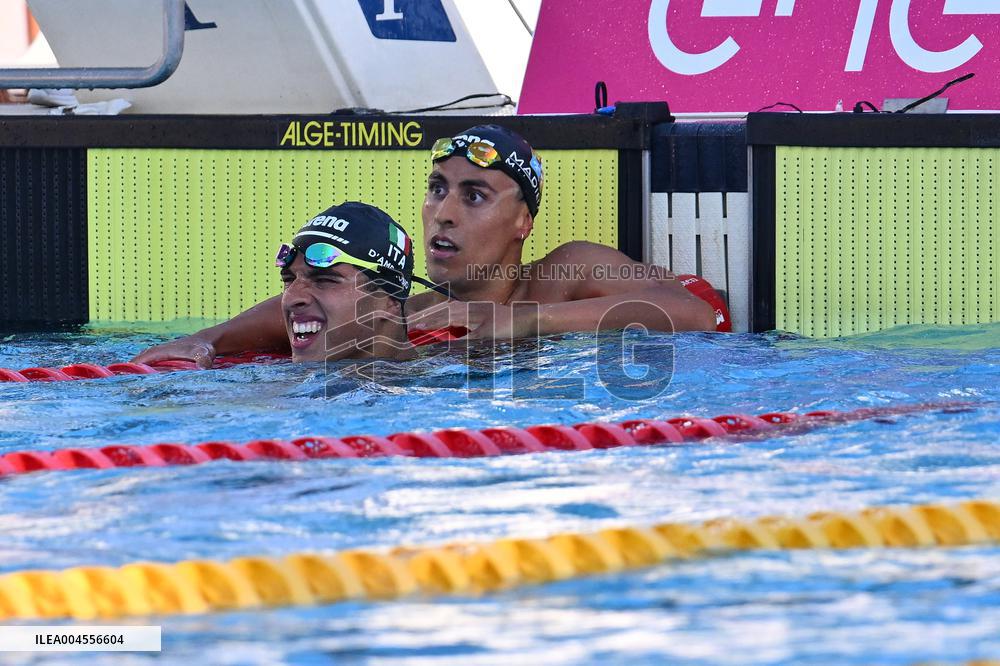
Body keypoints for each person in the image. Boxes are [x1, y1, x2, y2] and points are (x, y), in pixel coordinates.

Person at [134, 125, 724, 368]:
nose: (443, 212)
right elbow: (290, 309)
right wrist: (205, 343)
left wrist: (521, 321)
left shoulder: (565, 272)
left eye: (474, 196)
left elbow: (698, 314)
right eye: (437, 189)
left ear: (522, 220)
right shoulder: (411, 309)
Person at [262, 201, 419, 363]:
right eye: (289, 279)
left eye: (323, 280)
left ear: (388, 300)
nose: (290, 299)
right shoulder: (263, 371)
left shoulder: (437, 383)